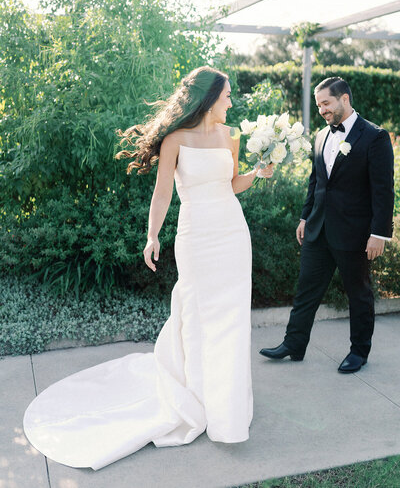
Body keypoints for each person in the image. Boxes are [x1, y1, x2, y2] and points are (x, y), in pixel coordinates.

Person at [23, 66, 274, 470]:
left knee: (231, 318)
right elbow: (162, 193)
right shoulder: (175, 139)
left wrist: (256, 175)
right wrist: (152, 235)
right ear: (208, 98)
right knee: (196, 313)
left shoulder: (232, 137)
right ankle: (193, 393)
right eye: (226, 95)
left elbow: (229, 184)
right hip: (196, 234)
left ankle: (226, 407)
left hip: (232, 232)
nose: (231, 101)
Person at [260, 77, 394, 373]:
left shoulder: (375, 137)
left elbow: (384, 190)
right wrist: (305, 217)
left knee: (358, 294)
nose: (322, 109)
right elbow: (316, 182)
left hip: (355, 233)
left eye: (326, 103)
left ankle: (359, 352)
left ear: (344, 99)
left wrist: (379, 234)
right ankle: (293, 344)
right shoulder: (321, 136)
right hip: (318, 229)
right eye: (319, 104)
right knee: (306, 289)